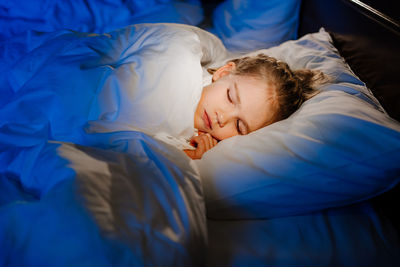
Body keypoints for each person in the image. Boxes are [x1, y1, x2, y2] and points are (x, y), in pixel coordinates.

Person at [184, 54, 328, 159]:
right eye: (230, 98)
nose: (222, 118)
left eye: (239, 125)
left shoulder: (204, 145)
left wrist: (190, 156)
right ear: (224, 73)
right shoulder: (181, 73)